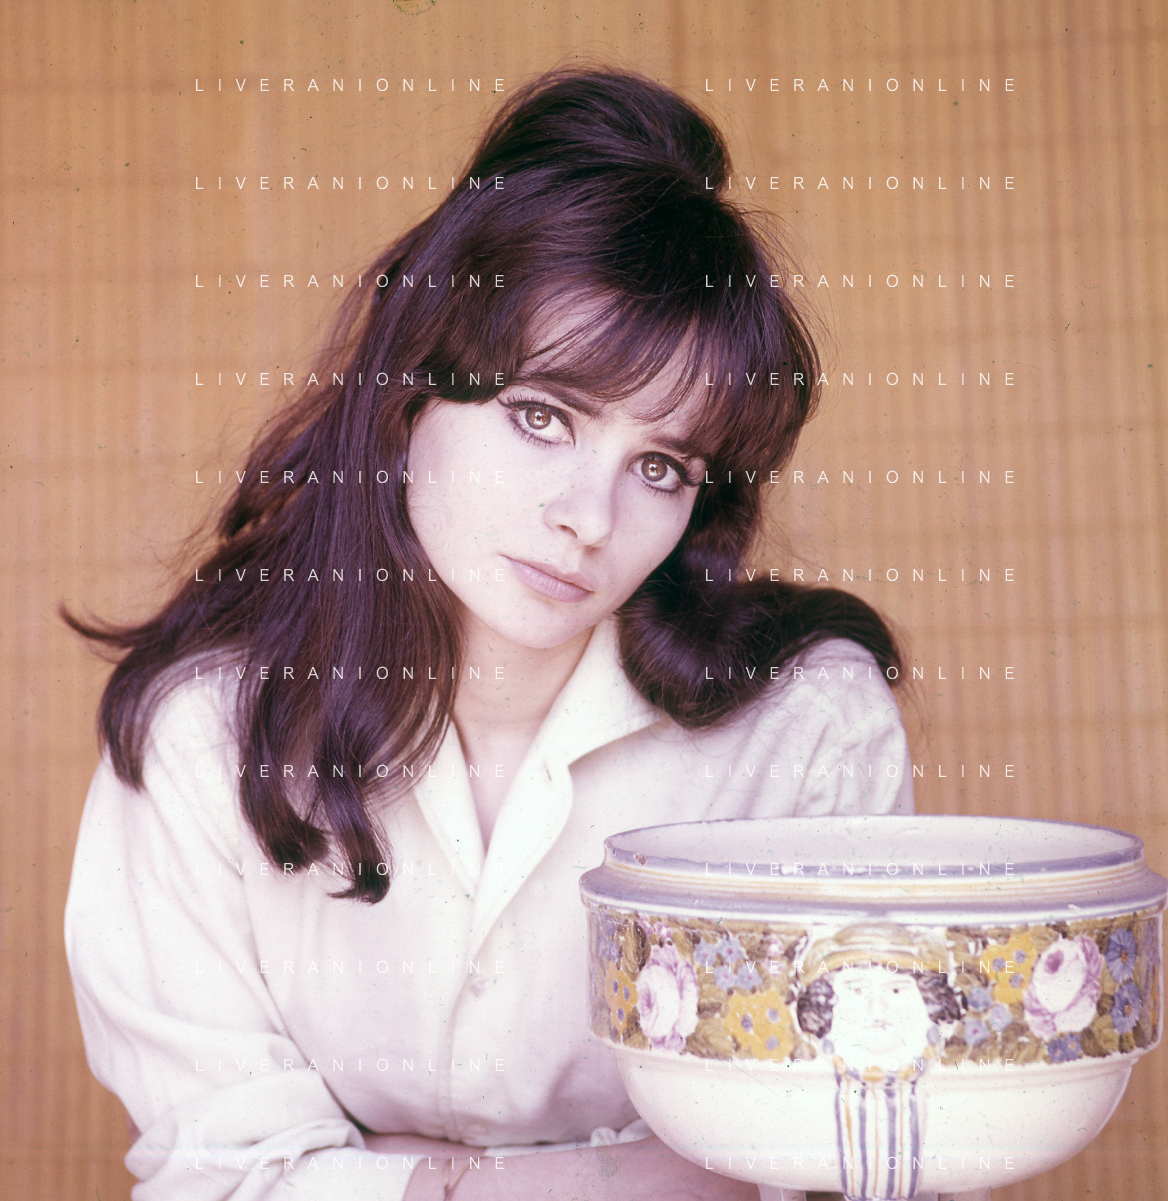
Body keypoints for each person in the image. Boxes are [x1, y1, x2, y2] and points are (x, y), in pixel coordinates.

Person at [64, 68, 915, 1201]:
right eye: (541, 415)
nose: (589, 517)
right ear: (408, 394)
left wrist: (383, 1178)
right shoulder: (204, 734)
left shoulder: (803, 728)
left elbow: (859, 1151)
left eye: (661, 467)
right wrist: (647, 1177)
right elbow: (218, 1175)